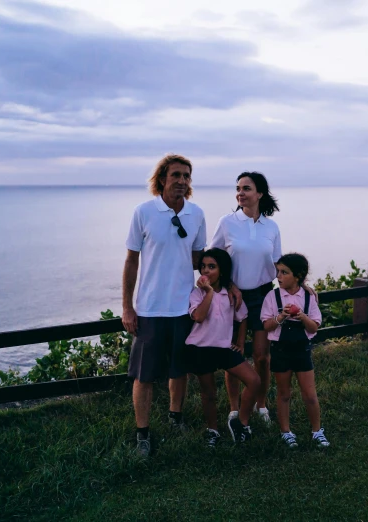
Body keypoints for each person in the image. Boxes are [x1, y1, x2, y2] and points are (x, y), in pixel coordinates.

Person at [122, 154, 206, 458]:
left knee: (178, 370)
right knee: (143, 376)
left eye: (187, 176)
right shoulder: (144, 212)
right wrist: (127, 307)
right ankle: (142, 434)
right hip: (149, 310)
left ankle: (175, 418)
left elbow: (199, 261)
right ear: (162, 179)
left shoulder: (196, 214)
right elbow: (131, 261)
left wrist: (225, 284)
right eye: (176, 175)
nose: (182, 181)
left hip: (184, 309)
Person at [210, 172, 281, 425]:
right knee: (234, 355)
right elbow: (213, 260)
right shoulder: (227, 222)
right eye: (238, 188)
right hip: (232, 298)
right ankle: (234, 407)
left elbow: (278, 264)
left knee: (262, 356)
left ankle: (262, 405)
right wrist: (228, 285)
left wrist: (301, 286)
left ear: (260, 193)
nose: (240, 193)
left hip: (263, 296)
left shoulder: (271, 227)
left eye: (246, 188)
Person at [185, 248, 261, 447]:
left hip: (224, 349)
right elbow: (199, 317)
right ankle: (213, 431)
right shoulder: (196, 294)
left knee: (254, 381)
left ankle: (241, 423)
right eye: (203, 267)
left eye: (212, 267)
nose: (206, 271)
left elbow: (242, 317)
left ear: (222, 270)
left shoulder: (231, 294)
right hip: (200, 349)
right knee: (209, 394)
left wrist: (241, 342)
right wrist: (209, 291)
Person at [261, 253, 330, 449]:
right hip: (280, 349)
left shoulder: (308, 297)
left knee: (309, 393)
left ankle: (317, 430)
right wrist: (281, 316)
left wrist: (300, 315)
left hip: (301, 350)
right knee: (284, 393)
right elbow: (266, 326)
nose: (279, 276)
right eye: (278, 272)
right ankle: (286, 431)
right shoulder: (273, 296)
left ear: (298, 276)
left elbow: (314, 327)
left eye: (284, 272)